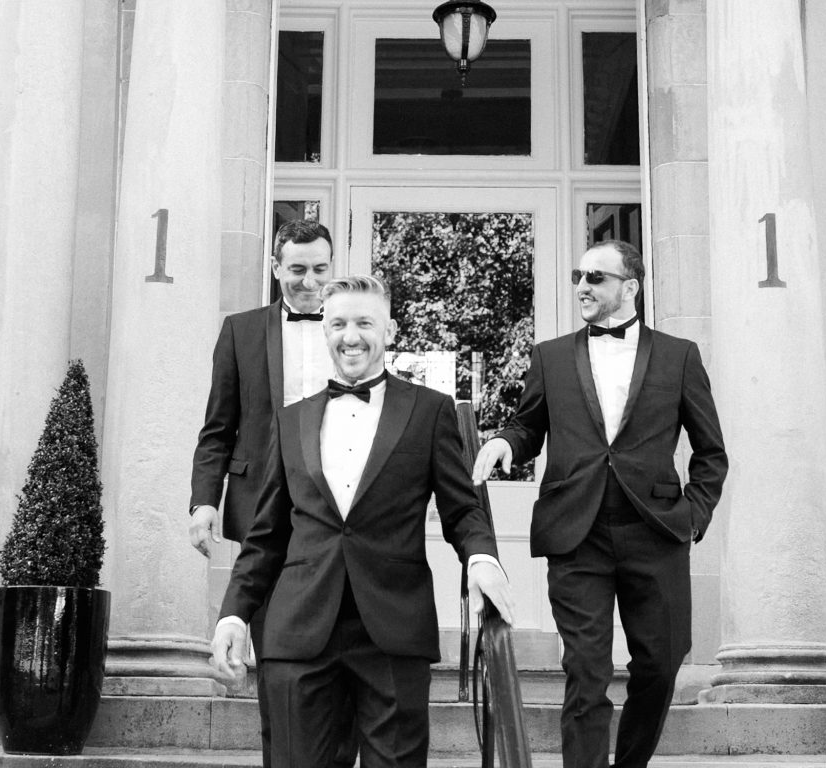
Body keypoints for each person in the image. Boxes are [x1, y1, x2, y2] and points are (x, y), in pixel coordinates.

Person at [211, 275, 515, 768]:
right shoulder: (290, 421)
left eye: (364, 323)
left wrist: (481, 558)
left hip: (392, 631)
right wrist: (233, 615)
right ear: (325, 331)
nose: (350, 336)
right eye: (338, 325)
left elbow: (462, 508)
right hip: (298, 631)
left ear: (389, 330)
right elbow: (266, 536)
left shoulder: (429, 411)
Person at [472, 240, 727, 768]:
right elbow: (528, 426)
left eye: (595, 277)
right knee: (586, 671)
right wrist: (503, 442)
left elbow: (711, 452)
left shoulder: (679, 356)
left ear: (630, 287)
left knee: (660, 665)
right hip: (576, 532)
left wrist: (692, 517)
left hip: (655, 531)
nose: (582, 287)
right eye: (578, 276)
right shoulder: (550, 356)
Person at [188, 219, 344, 766]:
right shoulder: (241, 331)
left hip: (338, 516)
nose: (309, 282)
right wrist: (204, 501)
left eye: (320, 269)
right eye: (297, 269)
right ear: (276, 267)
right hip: (264, 514)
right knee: (274, 665)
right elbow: (218, 428)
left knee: (335, 660)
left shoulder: (350, 328)